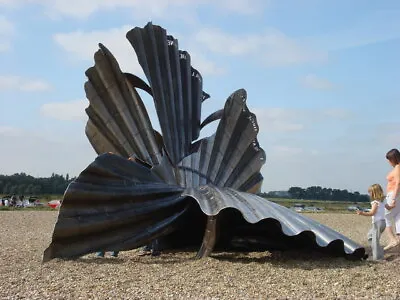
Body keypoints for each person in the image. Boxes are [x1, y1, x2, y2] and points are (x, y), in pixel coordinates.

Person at [356, 184, 386, 260]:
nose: (369, 194)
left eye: (370, 192)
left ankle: (377, 258)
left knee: (375, 241)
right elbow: (388, 207)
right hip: (382, 223)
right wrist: (392, 206)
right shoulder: (382, 202)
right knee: (370, 236)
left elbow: (372, 213)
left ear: (374, 193)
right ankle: (379, 253)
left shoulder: (375, 202)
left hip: (377, 223)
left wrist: (362, 213)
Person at [383, 148, 400, 250]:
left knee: (385, 216)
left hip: (394, 194)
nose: (388, 162)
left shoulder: (398, 168)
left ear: (393, 159)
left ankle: (392, 239)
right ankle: (398, 238)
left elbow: (398, 182)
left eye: (389, 160)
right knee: (398, 216)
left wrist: (393, 198)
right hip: (396, 195)